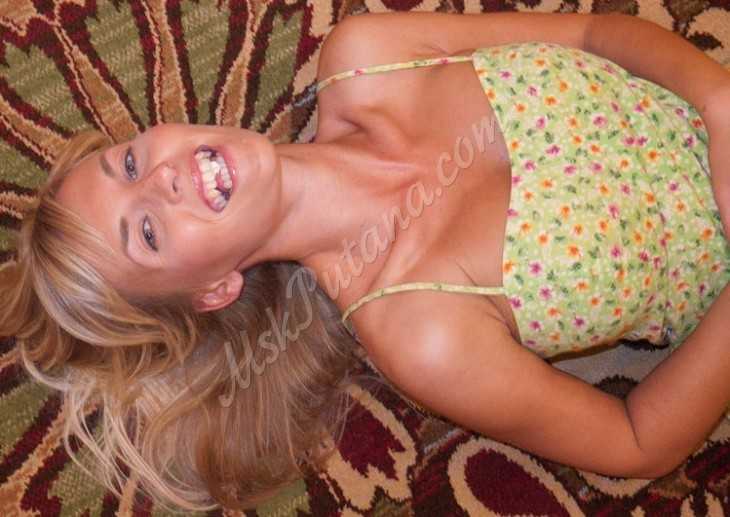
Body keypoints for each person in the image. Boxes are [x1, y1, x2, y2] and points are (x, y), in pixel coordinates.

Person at [1, 9, 730, 512]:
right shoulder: (421, 331)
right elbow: (637, 441)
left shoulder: (368, 53)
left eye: (129, 163)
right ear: (214, 290)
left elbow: (594, 32)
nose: (161, 178)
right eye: (148, 233)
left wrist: (719, 103)